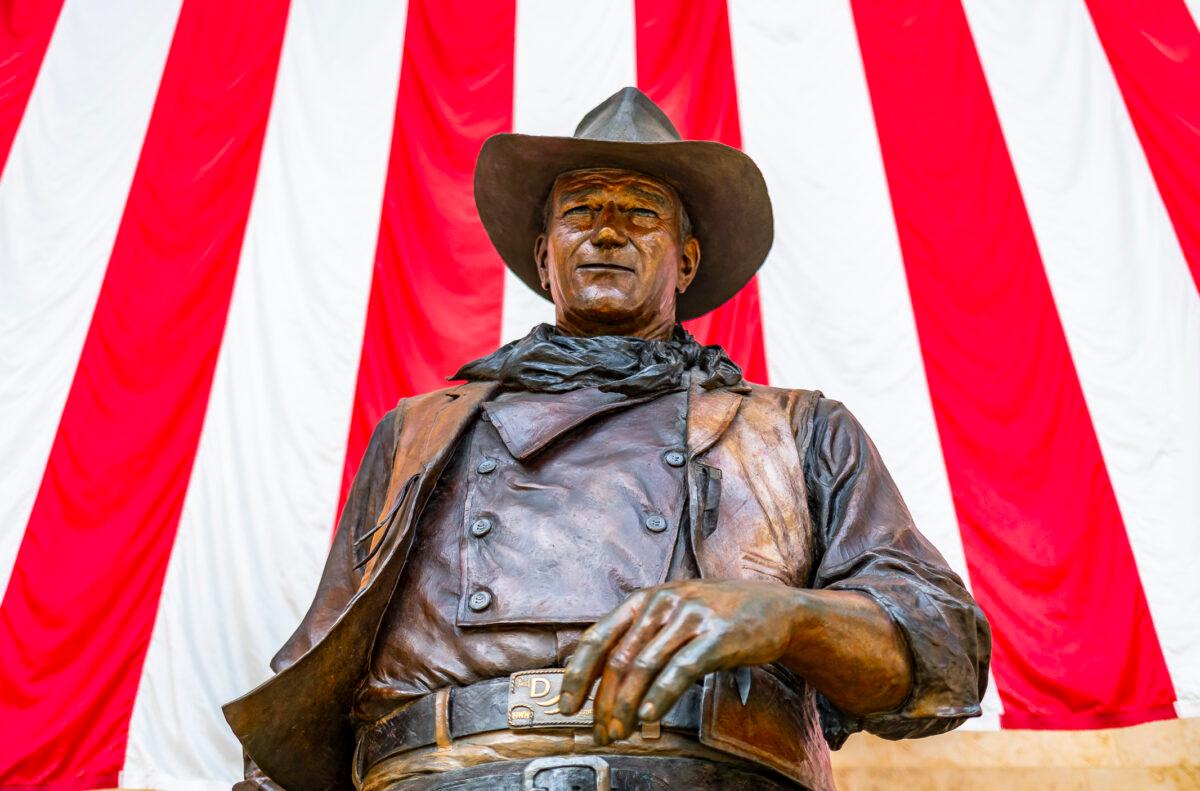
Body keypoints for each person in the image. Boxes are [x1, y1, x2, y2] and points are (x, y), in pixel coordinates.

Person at [226, 87, 990, 791]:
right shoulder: (417, 432)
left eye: (640, 213)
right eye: (581, 210)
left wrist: (784, 615)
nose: (606, 232)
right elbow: (312, 685)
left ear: (685, 260)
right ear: (542, 258)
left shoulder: (795, 429)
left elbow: (944, 647)